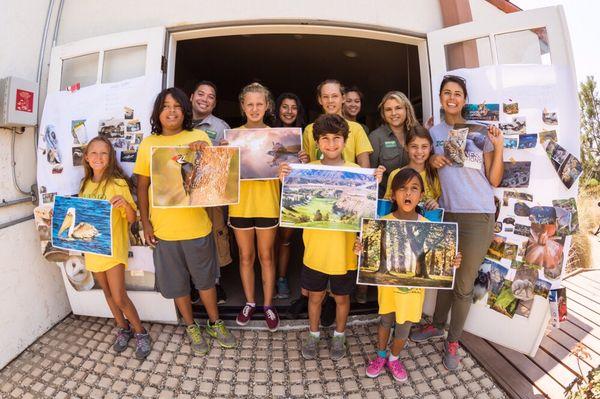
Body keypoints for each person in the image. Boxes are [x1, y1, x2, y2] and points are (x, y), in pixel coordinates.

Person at [409, 75, 504, 370]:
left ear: (464, 100)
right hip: (447, 213)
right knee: (443, 278)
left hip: (478, 214)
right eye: (447, 93)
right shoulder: (433, 133)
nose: (452, 98)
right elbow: (423, 168)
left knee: (463, 284)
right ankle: (436, 324)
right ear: (440, 98)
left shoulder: (480, 132)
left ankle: (453, 341)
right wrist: (432, 162)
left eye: (458, 94)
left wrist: (499, 147)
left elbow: (495, 179)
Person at [134, 87, 236, 355]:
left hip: (197, 227)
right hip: (164, 230)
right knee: (178, 283)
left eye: (177, 106)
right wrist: (145, 224)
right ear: (158, 111)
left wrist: (204, 153)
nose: (171, 111)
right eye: (166, 106)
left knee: (205, 281)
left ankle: (215, 322)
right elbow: (141, 187)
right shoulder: (148, 144)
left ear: (185, 110)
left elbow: (216, 183)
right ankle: (191, 325)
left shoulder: (199, 136)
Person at [280, 114, 384, 361]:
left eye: (337, 138)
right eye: (325, 139)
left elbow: (367, 213)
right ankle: (313, 334)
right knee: (314, 297)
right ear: (317, 143)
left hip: (345, 251)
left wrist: (375, 180)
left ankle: (339, 335)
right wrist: (285, 177)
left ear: (345, 141)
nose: (331, 144)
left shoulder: (357, 172)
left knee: (341, 297)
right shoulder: (305, 171)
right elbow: (294, 203)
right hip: (315, 251)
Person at [356, 169, 462, 382]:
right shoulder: (381, 223)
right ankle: (380, 355)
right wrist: (361, 249)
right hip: (387, 291)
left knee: (403, 329)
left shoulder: (429, 227)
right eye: (402, 188)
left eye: (414, 188)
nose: (408, 193)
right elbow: (370, 257)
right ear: (393, 194)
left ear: (421, 195)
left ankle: (394, 359)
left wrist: (451, 262)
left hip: (413, 294)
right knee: (385, 322)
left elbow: (437, 261)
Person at [292, 79, 373, 318]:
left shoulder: (356, 130)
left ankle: (334, 309)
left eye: (335, 96)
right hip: (320, 211)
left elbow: (365, 169)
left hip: (347, 213)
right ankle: (320, 304)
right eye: (325, 97)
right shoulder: (309, 130)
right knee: (319, 260)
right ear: (319, 100)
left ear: (342, 98)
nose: (330, 101)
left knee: (341, 265)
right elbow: (306, 168)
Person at [79, 136, 151, 359]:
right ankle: (123, 328)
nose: (98, 157)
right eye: (94, 153)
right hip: (93, 249)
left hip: (113, 249)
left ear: (110, 158)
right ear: (87, 158)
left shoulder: (118, 183)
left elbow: (131, 219)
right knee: (107, 293)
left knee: (119, 296)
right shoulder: (85, 185)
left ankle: (140, 332)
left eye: (104, 153)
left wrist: (126, 204)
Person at [225, 82, 281, 331]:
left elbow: (286, 176)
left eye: (260, 104)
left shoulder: (279, 136)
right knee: (246, 257)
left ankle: (268, 305)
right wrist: (222, 157)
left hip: (268, 204)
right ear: (243, 106)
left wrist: (294, 159)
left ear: (267, 106)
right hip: (241, 206)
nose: (255, 108)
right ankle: (250, 302)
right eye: (250, 104)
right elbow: (222, 176)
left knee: (266, 256)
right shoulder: (232, 136)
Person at [189, 80, 231, 305]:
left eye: (211, 96)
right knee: (191, 238)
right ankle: (194, 284)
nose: (205, 99)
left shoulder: (220, 126)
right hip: (183, 193)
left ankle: (215, 284)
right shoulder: (179, 122)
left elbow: (231, 161)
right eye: (201, 94)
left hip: (212, 191)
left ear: (215, 103)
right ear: (191, 96)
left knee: (215, 235)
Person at [273, 92, 307, 299]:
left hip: (292, 192)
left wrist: (306, 158)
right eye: (284, 107)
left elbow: (313, 166)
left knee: (285, 239)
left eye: (293, 107)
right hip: (269, 191)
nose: (289, 111)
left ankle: (282, 278)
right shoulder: (266, 133)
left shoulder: (305, 134)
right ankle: (269, 278)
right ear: (277, 109)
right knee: (268, 240)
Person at [369, 91, 418, 198]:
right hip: (386, 200)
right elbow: (370, 175)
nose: (393, 113)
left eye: (398, 108)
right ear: (383, 113)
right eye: (388, 109)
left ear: (406, 109)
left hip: (414, 199)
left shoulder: (416, 134)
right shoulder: (376, 137)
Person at [384, 126, 441, 212]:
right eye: (414, 146)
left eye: (424, 146)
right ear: (406, 147)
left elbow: (439, 206)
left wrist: (435, 204)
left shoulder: (435, 175)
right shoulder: (395, 174)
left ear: (431, 148)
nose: (419, 151)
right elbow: (387, 206)